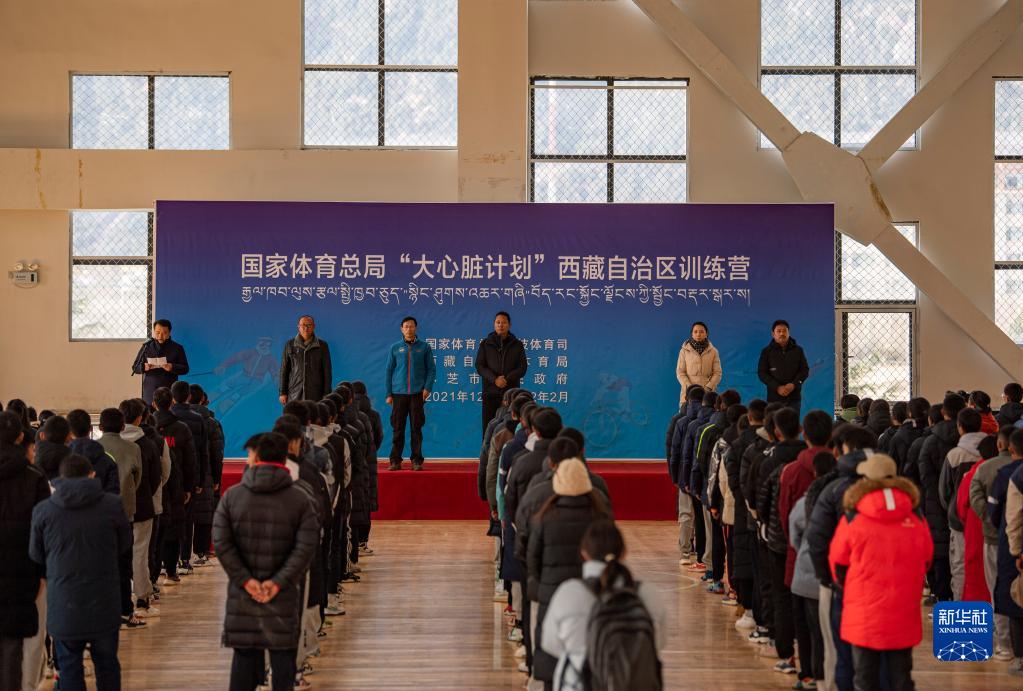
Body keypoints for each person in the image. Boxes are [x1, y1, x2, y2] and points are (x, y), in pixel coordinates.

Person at [213, 432, 319, 691]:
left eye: (249, 453)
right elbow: (306, 547)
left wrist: (246, 581)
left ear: (257, 457)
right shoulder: (301, 499)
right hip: (283, 595)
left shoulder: (232, 497)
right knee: (283, 660)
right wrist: (278, 582)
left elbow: (222, 543)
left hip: (243, 596)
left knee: (244, 660)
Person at [829, 454, 933, 691]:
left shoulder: (853, 517)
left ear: (866, 479)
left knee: (865, 677)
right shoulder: (915, 516)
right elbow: (926, 559)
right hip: (904, 608)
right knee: (901, 677)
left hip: (863, 610)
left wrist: (850, 587)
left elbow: (837, 562)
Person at [30, 454, 132, 691]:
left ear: (60, 478)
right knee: (107, 665)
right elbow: (124, 544)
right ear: (92, 475)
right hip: (104, 601)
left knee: (69, 667)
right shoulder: (112, 505)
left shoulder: (44, 510)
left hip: (63, 603)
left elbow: (36, 555)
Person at [541, 519, 666, 691]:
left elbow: (549, 643)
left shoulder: (569, 592)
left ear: (584, 553)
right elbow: (658, 643)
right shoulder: (648, 594)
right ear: (624, 553)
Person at [526, 457, 613, 686]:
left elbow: (531, 558)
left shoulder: (544, 517)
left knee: (551, 664)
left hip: (551, 593)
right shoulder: (600, 514)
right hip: (594, 599)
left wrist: (537, 588)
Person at [0, 411, 51, 691]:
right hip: (23, 571)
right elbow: (43, 530)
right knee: (12, 646)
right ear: (21, 437)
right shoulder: (34, 477)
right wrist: (42, 572)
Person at [970, 425, 1017, 659]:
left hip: (993, 538)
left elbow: (975, 496)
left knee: (997, 589)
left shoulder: (986, 468)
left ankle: (1004, 643)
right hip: (1018, 540)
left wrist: (990, 519)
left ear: (1000, 444)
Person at [384, 316, 437, 471]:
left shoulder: (424, 347)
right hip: (398, 394)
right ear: (402, 329)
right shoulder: (395, 348)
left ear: (416, 328)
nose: (409, 329)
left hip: (417, 394)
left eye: (411, 326)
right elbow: (389, 371)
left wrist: (427, 388)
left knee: (416, 428)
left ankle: (416, 460)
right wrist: (388, 393)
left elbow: (431, 370)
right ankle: (395, 460)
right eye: (406, 326)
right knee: (398, 428)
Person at [475, 311, 528, 434]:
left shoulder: (517, 344)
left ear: (509, 325)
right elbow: (479, 366)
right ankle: (487, 448)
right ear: (494, 324)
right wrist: (495, 379)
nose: (500, 325)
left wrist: (506, 379)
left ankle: (510, 447)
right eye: (498, 322)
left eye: (504, 322)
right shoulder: (485, 344)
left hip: (511, 394)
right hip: (490, 393)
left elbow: (522, 367)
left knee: (510, 429)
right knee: (488, 429)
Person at [131, 318, 190, 404]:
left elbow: (185, 369)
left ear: (169, 332)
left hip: (169, 391)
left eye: (164, 333)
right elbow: (135, 367)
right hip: (150, 391)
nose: (160, 336)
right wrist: (143, 367)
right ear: (154, 331)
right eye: (157, 332)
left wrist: (172, 367)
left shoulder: (177, 348)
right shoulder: (146, 346)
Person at [757, 320, 809, 415]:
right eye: (779, 331)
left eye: (784, 331)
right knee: (773, 424)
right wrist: (777, 387)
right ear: (773, 334)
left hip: (794, 398)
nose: (782, 334)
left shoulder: (798, 350)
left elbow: (805, 370)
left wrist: (794, 384)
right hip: (774, 399)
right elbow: (762, 373)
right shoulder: (766, 351)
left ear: (789, 332)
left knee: (792, 424)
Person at [279, 315, 333, 405]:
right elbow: (284, 370)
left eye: (309, 325)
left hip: (316, 393)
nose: (306, 328)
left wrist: (327, 394)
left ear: (314, 326)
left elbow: (327, 371)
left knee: (314, 414)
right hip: (294, 392)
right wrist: (282, 392)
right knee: (294, 414)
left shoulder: (322, 345)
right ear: (298, 327)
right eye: (303, 325)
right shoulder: (290, 345)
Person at [66, 409, 119, 494]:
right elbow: (114, 493)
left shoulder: (61, 459)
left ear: (69, 432)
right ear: (91, 428)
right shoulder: (108, 460)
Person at [675, 321, 722, 407]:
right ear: (692, 334)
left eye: (701, 332)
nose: (698, 334)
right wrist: (690, 388)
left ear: (706, 334)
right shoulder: (684, 351)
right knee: (687, 414)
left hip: (708, 394)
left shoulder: (714, 351)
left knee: (707, 415)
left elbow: (717, 373)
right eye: (695, 332)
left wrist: (708, 387)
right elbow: (680, 372)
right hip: (688, 393)